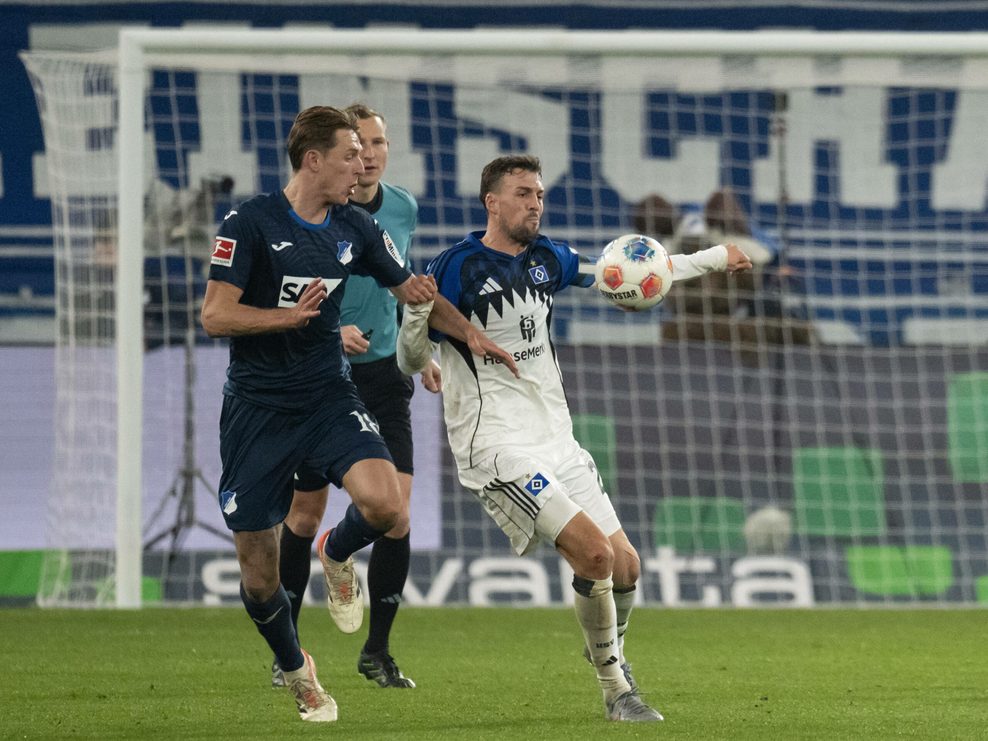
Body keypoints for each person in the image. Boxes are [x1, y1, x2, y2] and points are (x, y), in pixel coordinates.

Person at [397, 155, 752, 722]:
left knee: (628, 567)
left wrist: (713, 258)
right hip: (496, 445)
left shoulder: (549, 259)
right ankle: (616, 689)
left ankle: (607, 651)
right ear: (492, 202)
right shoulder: (458, 266)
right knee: (594, 554)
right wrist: (417, 315)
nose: (535, 203)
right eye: (522, 193)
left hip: (557, 439)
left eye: (539, 193)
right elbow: (412, 358)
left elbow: (630, 273)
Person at [200, 106, 516, 723]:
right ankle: (297, 670)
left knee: (386, 505)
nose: (363, 164)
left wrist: (465, 337)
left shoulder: (355, 226)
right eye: (351, 154)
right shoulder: (250, 222)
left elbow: (412, 290)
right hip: (258, 411)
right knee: (259, 574)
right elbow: (214, 316)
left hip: (328, 396)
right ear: (313, 160)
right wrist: (287, 318)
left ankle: (336, 554)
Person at [271, 103, 440, 690]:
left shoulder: (401, 208)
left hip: (385, 373)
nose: (371, 153)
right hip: (322, 377)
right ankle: (286, 649)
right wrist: (327, 329)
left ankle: (377, 651)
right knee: (303, 511)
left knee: (395, 514)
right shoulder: (315, 210)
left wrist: (424, 351)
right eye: (361, 143)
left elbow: (402, 285)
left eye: (381, 141)